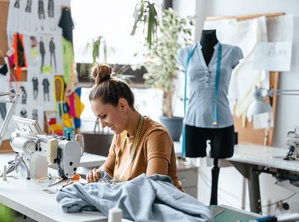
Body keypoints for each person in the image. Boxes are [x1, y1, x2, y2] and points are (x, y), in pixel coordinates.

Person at [86, 64, 184, 192]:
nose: (102, 124)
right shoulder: (120, 134)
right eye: (98, 118)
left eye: (104, 116)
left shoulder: (156, 136)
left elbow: (152, 188)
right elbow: (108, 170)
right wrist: (97, 174)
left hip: (163, 209)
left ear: (122, 105)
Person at [177, 29, 243, 204]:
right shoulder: (185, 53)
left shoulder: (232, 52)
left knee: (218, 164)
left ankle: (214, 205)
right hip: (193, 121)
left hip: (222, 122)